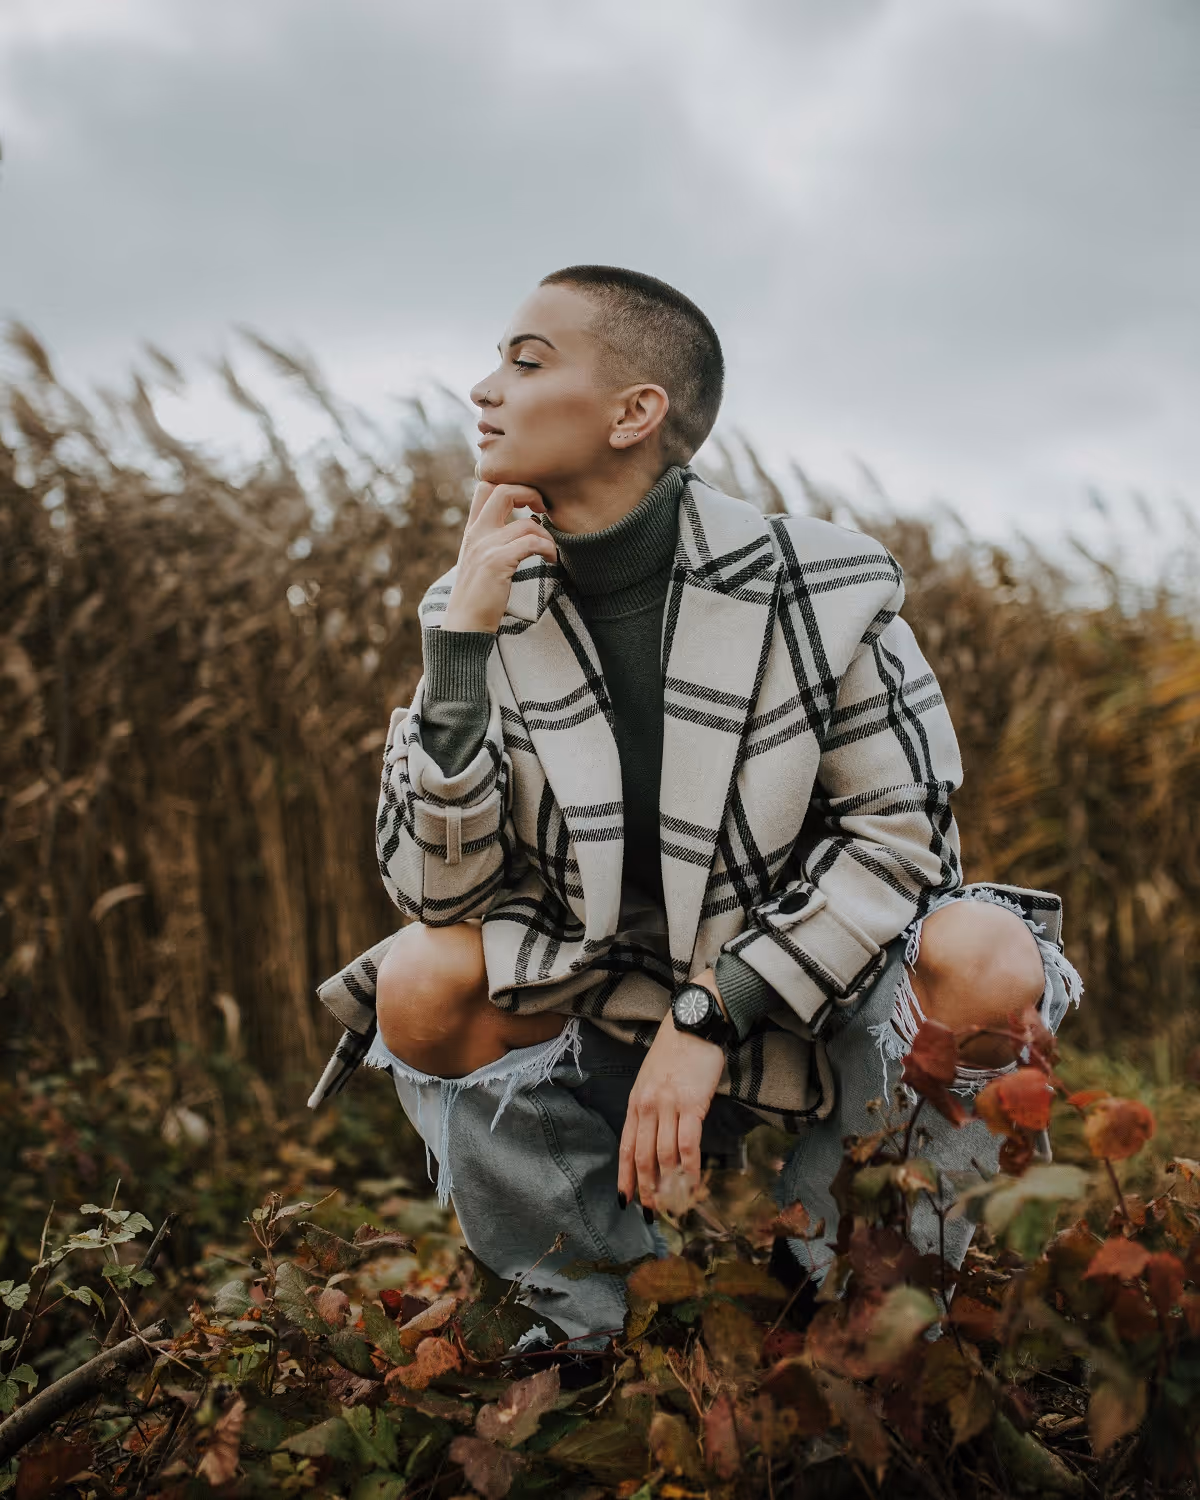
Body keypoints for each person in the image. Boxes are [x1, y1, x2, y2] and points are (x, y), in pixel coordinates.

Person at [309, 266, 1082, 1341]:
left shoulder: (825, 582)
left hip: (809, 997)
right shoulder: (480, 596)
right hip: (608, 1004)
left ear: (637, 412)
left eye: (526, 362)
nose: (484, 389)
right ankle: (607, 1321)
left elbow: (902, 845)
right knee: (422, 978)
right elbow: (440, 891)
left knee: (988, 957)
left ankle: (848, 1294)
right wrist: (458, 656)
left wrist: (716, 1006)